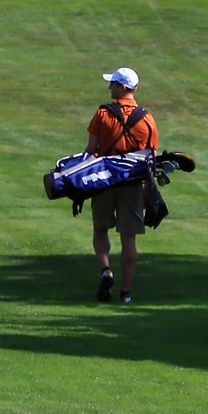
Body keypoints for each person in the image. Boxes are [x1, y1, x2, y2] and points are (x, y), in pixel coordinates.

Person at [85, 67, 159, 304]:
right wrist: (149, 193)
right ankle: (126, 293)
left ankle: (106, 270)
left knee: (100, 230)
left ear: (122, 87)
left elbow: (91, 151)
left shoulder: (103, 114)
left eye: (113, 84)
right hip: (133, 184)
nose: (110, 88)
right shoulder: (147, 118)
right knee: (129, 238)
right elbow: (150, 157)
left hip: (105, 180)